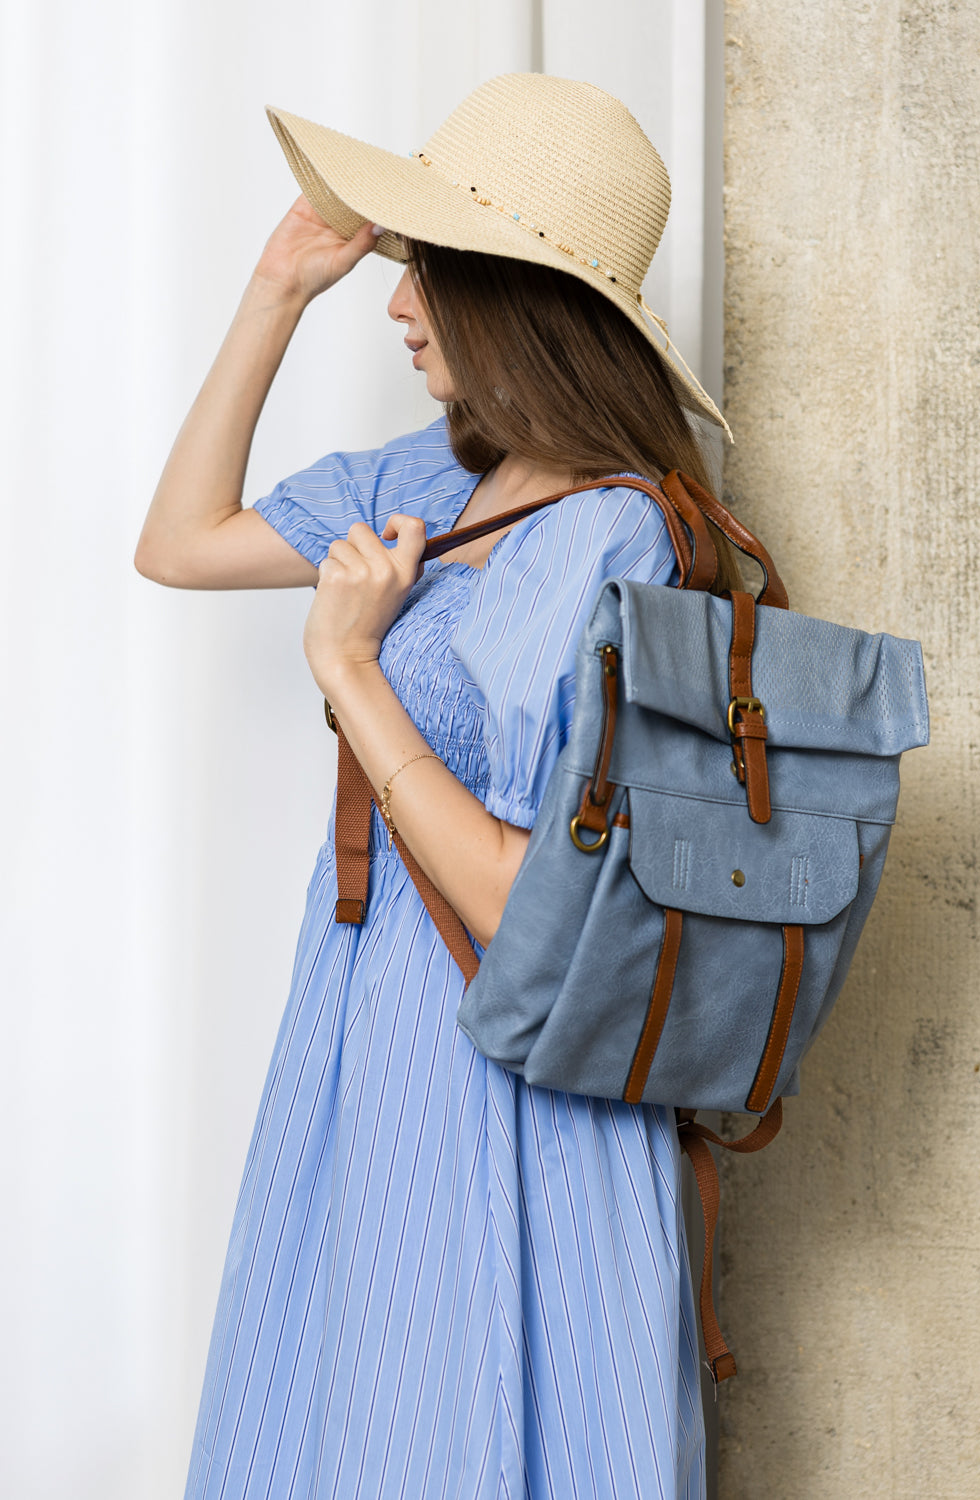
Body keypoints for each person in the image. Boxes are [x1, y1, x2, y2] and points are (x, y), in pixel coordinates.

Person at [137, 72, 735, 1500]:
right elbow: (180, 541)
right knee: (342, 1427)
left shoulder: (615, 539)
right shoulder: (436, 475)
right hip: (368, 1038)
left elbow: (536, 904)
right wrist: (279, 289)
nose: (398, 305)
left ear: (518, 298)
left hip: (510, 1077)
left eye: (429, 270)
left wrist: (350, 668)